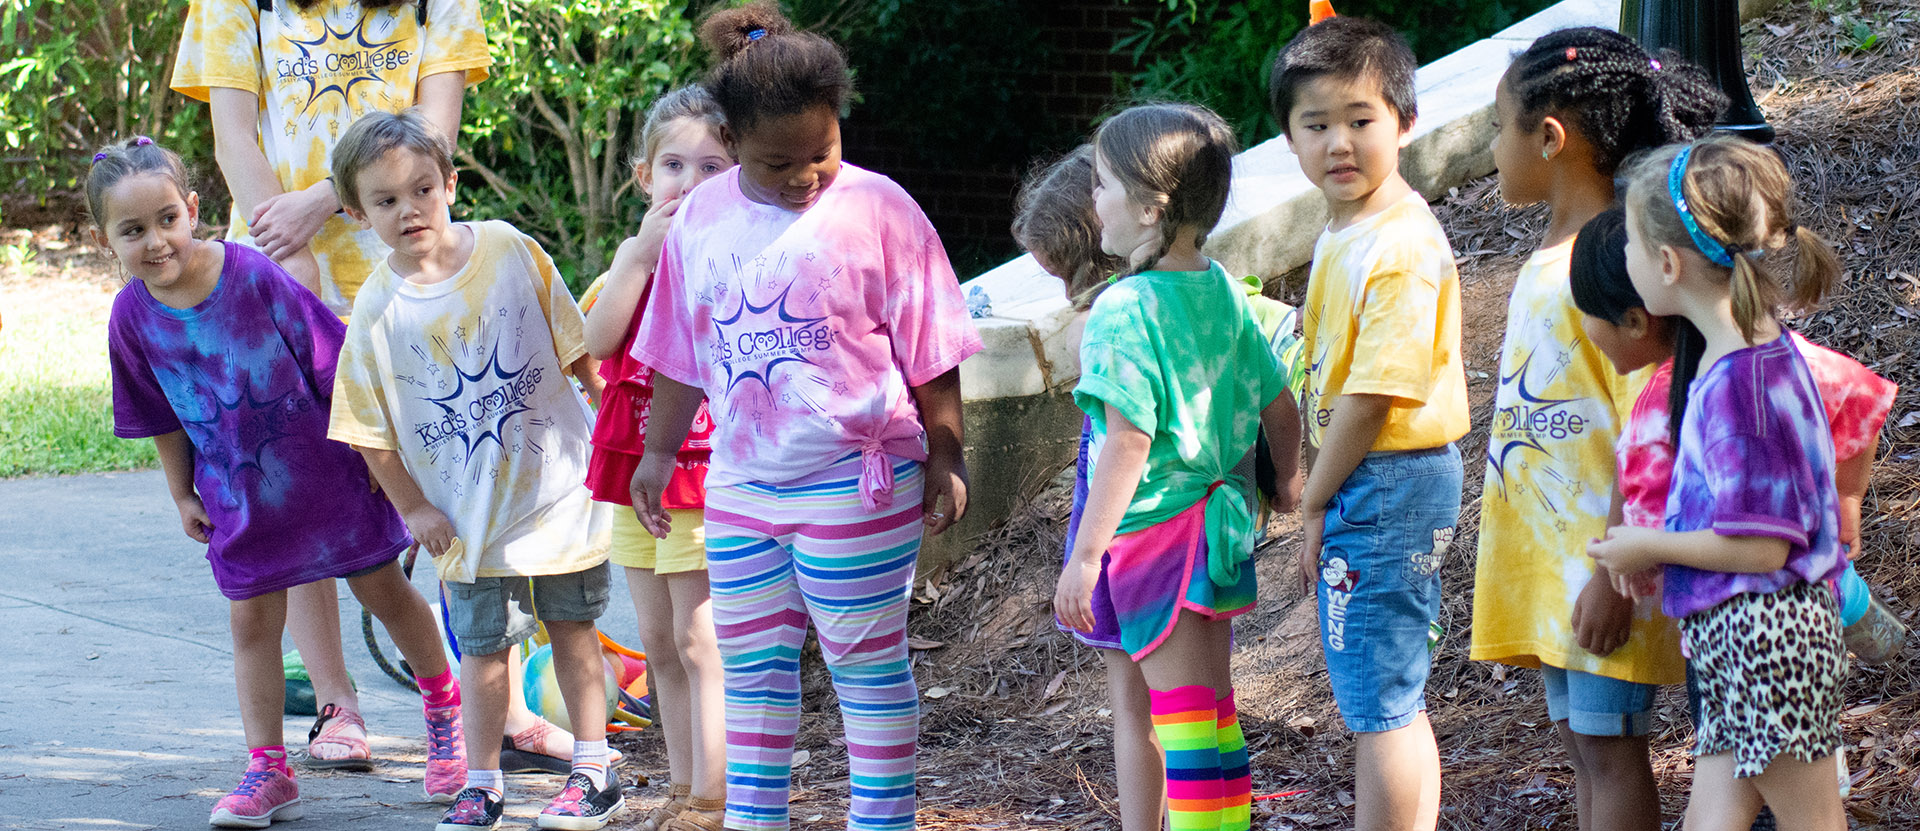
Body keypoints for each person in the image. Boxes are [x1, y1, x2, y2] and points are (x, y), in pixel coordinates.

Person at [624, 4, 983, 828]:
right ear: (733, 141)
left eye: (821, 152)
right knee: (749, 668)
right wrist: (656, 455)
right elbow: (680, 352)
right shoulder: (702, 220)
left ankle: (882, 820)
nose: (804, 176)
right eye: (777, 161)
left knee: (863, 663)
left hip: (856, 480)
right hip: (743, 484)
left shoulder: (880, 209)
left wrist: (946, 452)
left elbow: (933, 345)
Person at [168, 0, 518, 772]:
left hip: (413, 272)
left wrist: (324, 199)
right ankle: (337, 705)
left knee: (451, 485)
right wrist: (280, 244)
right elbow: (234, 135)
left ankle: (499, 701)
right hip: (281, 276)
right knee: (296, 493)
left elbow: (436, 133)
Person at [90, 135, 466, 825]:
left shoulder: (253, 276)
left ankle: (446, 710)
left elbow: (334, 365)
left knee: (385, 589)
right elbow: (158, 415)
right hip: (240, 500)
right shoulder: (131, 319)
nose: (155, 242)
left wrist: (383, 463)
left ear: (193, 208)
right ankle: (268, 766)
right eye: (132, 230)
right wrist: (180, 491)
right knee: (250, 624)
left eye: (166, 219)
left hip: (331, 477)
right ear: (104, 237)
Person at [324, 109, 620, 831]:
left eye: (421, 189)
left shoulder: (509, 249)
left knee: (573, 629)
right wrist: (412, 510)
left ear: (450, 182)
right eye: (386, 201)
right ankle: (482, 782)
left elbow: (578, 348)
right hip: (467, 518)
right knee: (484, 653)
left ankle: (594, 767)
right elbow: (369, 430)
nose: (409, 210)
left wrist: (615, 431)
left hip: (558, 493)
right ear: (358, 213)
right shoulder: (377, 309)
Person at [1466, 28, 1724, 831]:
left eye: (1497, 127)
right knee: (1583, 747)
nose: (1491, 149)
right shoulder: (1561, 250)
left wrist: (1615, 572)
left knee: (1611, 751)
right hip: (1552, 561)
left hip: (1603, 562)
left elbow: (1651, 418)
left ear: (1550, 138)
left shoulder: (1618, 260)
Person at [1571, 206, 1898, 814]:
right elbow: (1858, 394)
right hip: (1734, 638)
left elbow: (1762, 547)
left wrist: (1644, 551)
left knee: (1810, 820)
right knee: (1711, 817)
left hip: (1764, 634)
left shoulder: (1732, 386)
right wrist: (1841, 505)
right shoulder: (1746, 363)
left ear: (1665, 270)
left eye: (1636, 245)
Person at [1053, 102, 1301, 831]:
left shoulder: (1123, 310)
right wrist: (1285, 485)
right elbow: (1279, 401)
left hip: (1156, 539)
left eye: (1100, 185)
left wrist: (1086, 555)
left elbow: (1128, 441)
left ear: (1150, 205)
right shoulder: (1224, 288)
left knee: (1189, 724)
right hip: (1221, 530)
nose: (1092, 202)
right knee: (1212, 718)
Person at [1268, 17, 1469, 831]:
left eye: (1361, 120)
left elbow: (1372, 398)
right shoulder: (1349, 227)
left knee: (1378, 700)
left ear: (1405, 121)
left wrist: (1315, 497)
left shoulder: (1400, 247)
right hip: (1375, 478)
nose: (1339, 143)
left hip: (1385, 479)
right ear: (1287, 137)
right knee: (1388, 692)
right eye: (1316, 125)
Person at [581, 86, 732, 831]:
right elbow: (598, 340)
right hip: (632, 468)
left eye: (712, 166)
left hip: (701, 467)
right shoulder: (634, 254)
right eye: (674, 165)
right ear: (645, 177)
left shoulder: (733, 252)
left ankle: (715, 793)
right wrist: (638, 257)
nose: (689, 183)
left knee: (700, 635)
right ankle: (682, 789)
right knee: (659, 641)